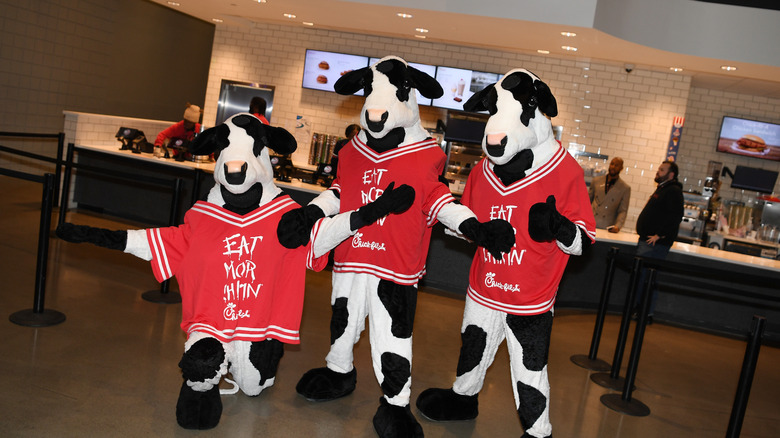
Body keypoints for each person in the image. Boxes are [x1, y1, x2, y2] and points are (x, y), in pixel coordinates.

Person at [634, 160, 684, 320]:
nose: (658, 172)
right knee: (644, 278)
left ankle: (644, 313)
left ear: (671, 174)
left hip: (655, 245)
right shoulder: (663, 189)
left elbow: (675, 217)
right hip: (649, 242)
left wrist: (659, 235)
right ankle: (640, 311)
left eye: (662, 170)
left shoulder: (673, 191)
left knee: (647, 279)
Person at [589, 157, 631, 232]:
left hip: (607, 227)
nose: (613, 167)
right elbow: (587, 202)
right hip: (590, 223)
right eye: (612, 164)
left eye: (616, 165)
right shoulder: (596, 181)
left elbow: (623, 211)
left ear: (621, 168)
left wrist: (617, 226)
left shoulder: (625, 188)